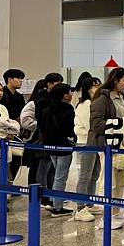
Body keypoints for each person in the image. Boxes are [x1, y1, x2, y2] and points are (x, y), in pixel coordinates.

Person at [89, 67, 124, 230]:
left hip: (123, 143)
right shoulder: (102, 99)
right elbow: (96, 125)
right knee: (108, 180)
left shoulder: (123, 97)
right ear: (115, 80)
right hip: (107, 145)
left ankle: (116, 212)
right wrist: (120, 123)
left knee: (121, 180)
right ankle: (106, 216)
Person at [41, 83, 76, 218]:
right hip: (63, 146)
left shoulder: (47, 109)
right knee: (61, 177)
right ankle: (57, 207)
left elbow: (42, 127)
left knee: (57, 175)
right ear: (65, 95)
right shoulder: (67, 109)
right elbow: (69, 129)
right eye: (69, 92)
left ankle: (54, 201)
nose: (71, 94)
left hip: (50, 146)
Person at [74, 77, 104, 222]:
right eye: (94, 85)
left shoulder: (94, 103)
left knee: (94, 174)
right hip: (86, 143)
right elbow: (90, 125)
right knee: (85, 176)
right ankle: (80, 208)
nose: (97, 87)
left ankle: (89, 202)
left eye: (99, 85)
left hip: (95, 143)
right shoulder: (85, 104)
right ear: (87, 88)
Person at [34, 73, 64, 209]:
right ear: (49, 84)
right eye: (57, 83)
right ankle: (43, 197)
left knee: (52, 168)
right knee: (44, 168)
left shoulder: (54, 98)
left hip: (54, 137)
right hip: (46, 136)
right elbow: (41, 119)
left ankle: (52, 196)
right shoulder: (43, 98)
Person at [20, 79, 47, 186]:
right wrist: (40, 125)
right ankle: (34, 195)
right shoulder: (32, 104)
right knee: (35, 167)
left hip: (43, 139)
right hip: (33, 139)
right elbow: (25, 120)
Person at [1, 69, 26, 180]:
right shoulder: (3, 97)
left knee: (16, 159)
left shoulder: (19, 97)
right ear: (10, 79)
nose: (21, 81)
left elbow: (20, 116)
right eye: (18, 78)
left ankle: (10, 184)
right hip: (3, 133)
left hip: (15, 132)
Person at [0, 83, 21, 180]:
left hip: (4, 145)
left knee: (4, 175)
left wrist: (7, 128)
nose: (0, 93)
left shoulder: (2, 108)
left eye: (1, 90)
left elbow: (14, 126)